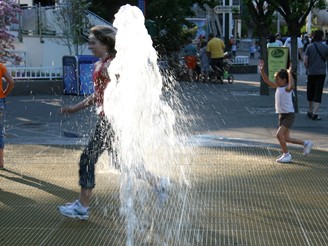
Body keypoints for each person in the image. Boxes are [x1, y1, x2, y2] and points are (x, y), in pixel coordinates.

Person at [57, 25, 168, 220]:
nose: (90, 46)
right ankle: (159, 183)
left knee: (88, 158)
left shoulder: (111, 66)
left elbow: (128, 89)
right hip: (110, 121)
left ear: (105, 43)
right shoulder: (101, 64)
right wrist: (74, 108)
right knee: (122, 162)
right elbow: (98, 95)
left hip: (111, 122)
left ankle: (82, 207)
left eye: (93, 43)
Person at [258, 60, 313, 163]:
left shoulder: (288, 89)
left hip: (289, 115)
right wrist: (261, 70)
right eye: (275, 79)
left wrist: (289, 72)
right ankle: (306, 143)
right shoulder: (278, 87)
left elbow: (291, 85)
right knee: (286, 138)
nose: (276, 81)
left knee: (279, 135)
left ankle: (286, 154)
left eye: (277, 79)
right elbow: (266, 80)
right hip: (281, 115)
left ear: (284, 80)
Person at [303, 29, 328, 121]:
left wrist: (308, 68)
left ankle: (309, 111)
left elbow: (305, 61)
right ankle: (315, 113)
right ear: (321, 37)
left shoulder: (309, 47)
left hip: (311, 72)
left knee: (310, 91)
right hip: (321, 73)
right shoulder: (325, 47)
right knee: (318, 92)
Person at [0, 63, 15, 170]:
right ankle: (1, 162)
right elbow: (11, 82)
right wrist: (4, 93)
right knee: (0, 132)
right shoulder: (0, 66)